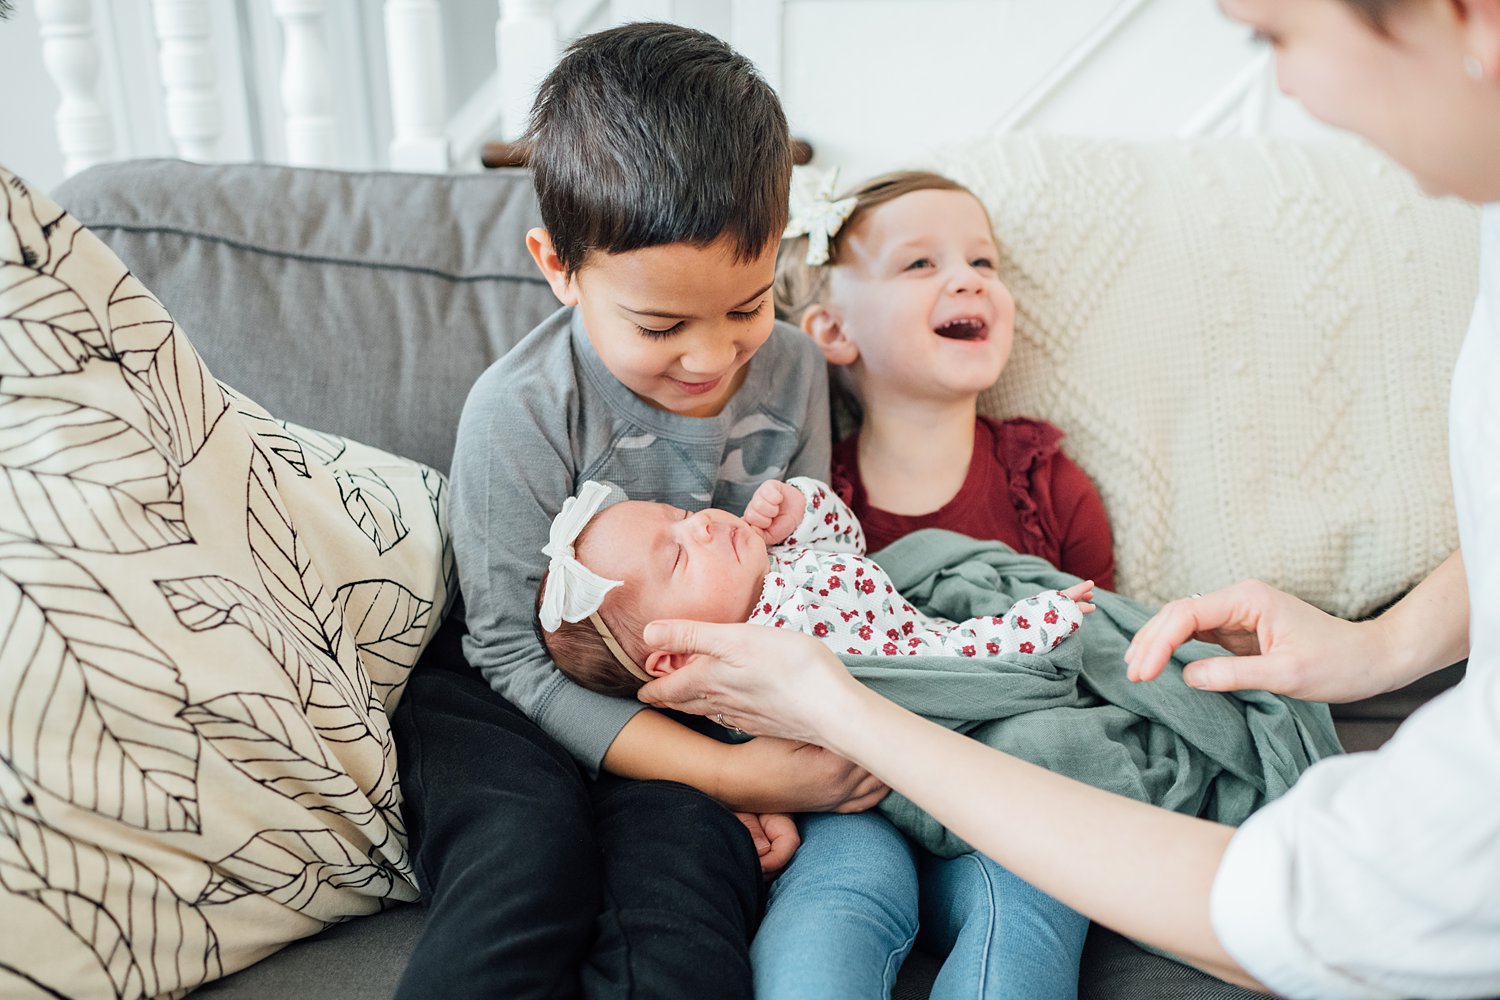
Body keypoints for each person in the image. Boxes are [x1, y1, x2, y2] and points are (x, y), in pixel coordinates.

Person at [636, 1, 1500, 997]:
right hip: (850, 801)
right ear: (829, 329)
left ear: (1470, 20)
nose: (1286, 88)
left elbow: (1092, 654)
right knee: (834, 914)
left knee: (1025, 911)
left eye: (1278, 37)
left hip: (1015, 783)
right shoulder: (805, 482)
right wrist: (1383, 646)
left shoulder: (1038, 472)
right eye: (921, 263)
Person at [394, 23, 888, 1000]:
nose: (712, 358)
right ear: (558, 266)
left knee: (689, 892)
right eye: (661, 325)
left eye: (747, 305)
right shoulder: (521, 407)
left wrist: (745, 762)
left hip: (698, 699)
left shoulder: (790, 370)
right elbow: (508, 656)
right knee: (527, 856)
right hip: (509, 693)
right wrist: (739, 781)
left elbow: (794, 589)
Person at [776, 169, 1116, 588]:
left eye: (982, 262)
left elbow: (1111, 639)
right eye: (920, 263)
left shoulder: (1048, 488)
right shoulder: (805, 506)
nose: (970, 279)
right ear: (834, 331)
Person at [536, 476, 1093, 696]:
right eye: (679, 556)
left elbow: (852, 547)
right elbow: (924, 666)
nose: (700, 523)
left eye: (679, 512)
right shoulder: (780, 650)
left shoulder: (765, 563)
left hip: (940, 632)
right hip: (952, 666)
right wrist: (1032, 624)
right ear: (676, 655)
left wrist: (802, 511)